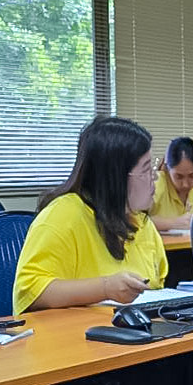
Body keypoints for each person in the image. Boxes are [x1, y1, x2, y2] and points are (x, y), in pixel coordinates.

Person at [13, 117, 168, 313]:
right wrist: (105, 288)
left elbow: (159, 285)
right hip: (77, 336)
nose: (155, 177)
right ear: (115, 177)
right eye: (146, 169)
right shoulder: (63, 216)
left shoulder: (141, 222)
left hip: (139, 335)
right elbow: (30, 292)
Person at [148, 136, 193, 232]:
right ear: (167, 170)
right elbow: (134, 220)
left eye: (192, 176)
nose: (185, 184)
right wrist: (174, 223)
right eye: (179, 177)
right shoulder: (156, 182)